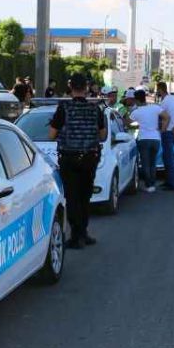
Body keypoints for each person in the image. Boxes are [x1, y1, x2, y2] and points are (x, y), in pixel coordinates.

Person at [49, 73, 107, 249]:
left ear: (70, 87)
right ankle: (84, 232)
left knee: (72, 197)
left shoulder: (63, 108)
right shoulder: (95, 109)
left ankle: (76, 236)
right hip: (90, 158)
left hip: (69, 158)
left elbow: (51, 134)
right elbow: (103, 135)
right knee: (85, 196)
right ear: (87, 87)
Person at [129, 89, 163, 193]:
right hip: (156, 138)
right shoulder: (155, 108)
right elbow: (167, 116)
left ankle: (149, 185)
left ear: (137, 100)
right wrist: (162, 129)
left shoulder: (136, 112)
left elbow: (127, 123)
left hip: (143, 139)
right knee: (153, 163)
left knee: (145, 163)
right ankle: (153, 184)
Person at [156, 81, 174, 191]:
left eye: (158, 90)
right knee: (166, 157)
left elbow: (165, 118)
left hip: (168, 133)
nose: (157, 92)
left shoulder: (164, 102)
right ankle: (168, 181)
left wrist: (162, 130)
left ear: (160, 90)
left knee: (168, 158)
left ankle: (172, 183)